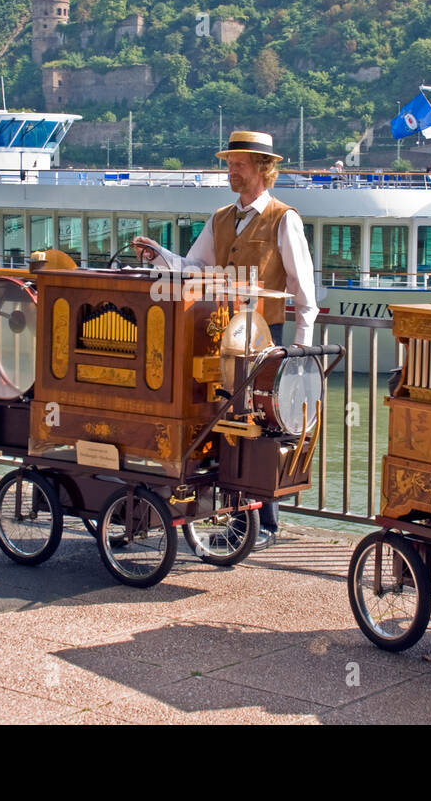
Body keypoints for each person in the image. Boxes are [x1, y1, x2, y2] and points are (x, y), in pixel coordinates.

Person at [132, 130, 317, 550]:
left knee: (263, 427)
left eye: (239, 165)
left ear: (262, 170)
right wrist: (159, 254)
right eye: (230, 164)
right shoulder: (220, 218)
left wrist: (300, 354)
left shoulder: (284, 218)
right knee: (229, 427)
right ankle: (236, 518)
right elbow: (194, 266)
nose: (231, 171)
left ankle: (265, 523)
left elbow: (304, 291)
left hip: (265, 340)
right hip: (221, 338)